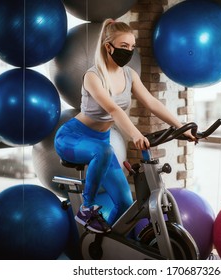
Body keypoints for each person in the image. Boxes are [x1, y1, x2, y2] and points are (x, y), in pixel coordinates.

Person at [54, 18, 195, 233]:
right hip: (72, 138)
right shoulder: (93, 76)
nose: (128, 51)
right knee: (103, 150)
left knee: (125, 203)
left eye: (131, 47)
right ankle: (86, 208)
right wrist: (135, 134)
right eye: (123, 46)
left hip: (101, 144)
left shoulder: (130, 75)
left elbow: (151, 102)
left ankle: (103, 243)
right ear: (108, 46)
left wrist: (181, 127)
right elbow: (114, 110)